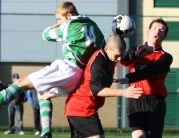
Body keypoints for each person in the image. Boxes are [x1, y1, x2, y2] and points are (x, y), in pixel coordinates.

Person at [0, 2, 105, 138]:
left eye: (59, 19)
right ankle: (46, 132)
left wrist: (54, 26)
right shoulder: (93, 25)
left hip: (68, 68)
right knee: (43, 93)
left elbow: (46, 35)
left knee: (20, 83)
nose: (59, 22)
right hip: (81, 76)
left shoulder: (70, 24)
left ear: (68, 15)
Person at [64, 34, 143, 138]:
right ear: (106, 48)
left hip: (82, 108)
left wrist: (137, 53)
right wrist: (124, 92)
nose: (119, 59)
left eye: (121, 55)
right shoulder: (99, 63)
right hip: (81, 108)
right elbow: (96, 90)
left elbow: (121, 55)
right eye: (117, 56)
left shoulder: (108, 57)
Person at [116, 18, 173, 138]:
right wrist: (137, 54)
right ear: (148, 31)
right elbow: (123, 61)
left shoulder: (166, 57)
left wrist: (129, 78)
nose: (157, 32)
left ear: (164, 36)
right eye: (155, 28)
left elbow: (151, 71)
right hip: (136, 101)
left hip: (155, 102)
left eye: (162, 30)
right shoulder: (135, 50)